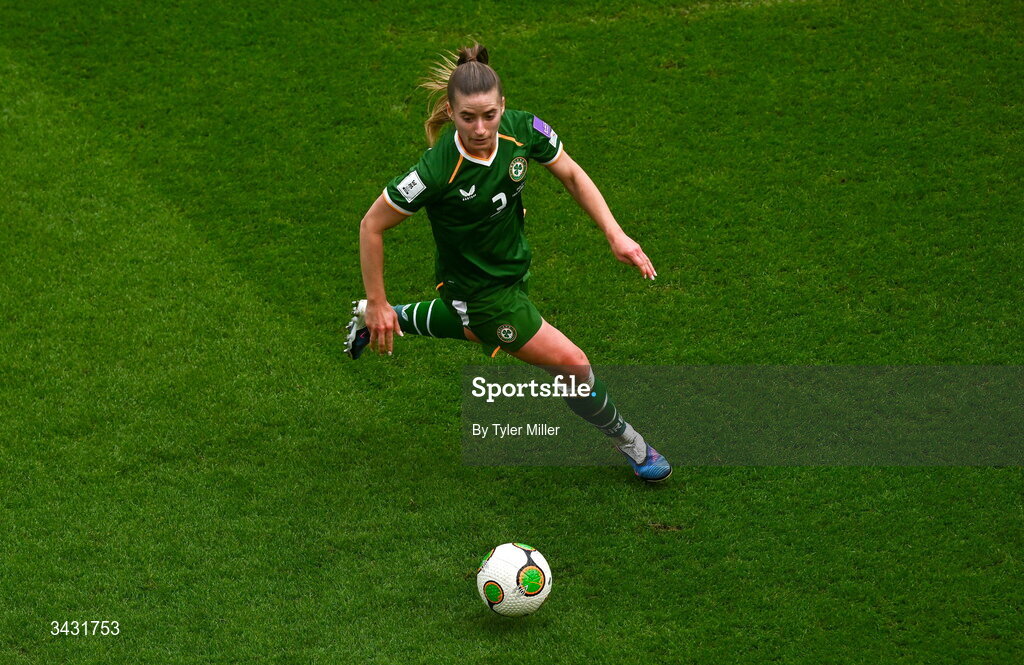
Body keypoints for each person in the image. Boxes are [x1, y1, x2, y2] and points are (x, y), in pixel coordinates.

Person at [345, 44, 671, 482]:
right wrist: (377, 298)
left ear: (503, 106)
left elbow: (572, 173)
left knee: (479, 330)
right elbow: (371, 225)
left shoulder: (523, 131)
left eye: (489, 115)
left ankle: (385, 319)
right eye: (467, 118)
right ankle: (629, 441)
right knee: (571, 363)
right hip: (478, 290)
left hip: (513, 266)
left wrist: (615, 234)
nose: (480, 128)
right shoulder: (437, 169)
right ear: (450, 110)